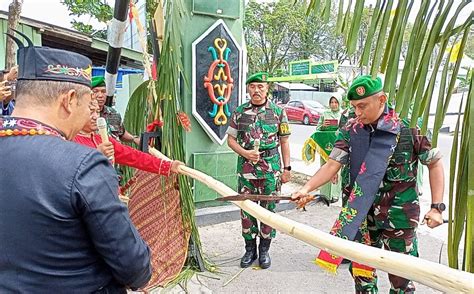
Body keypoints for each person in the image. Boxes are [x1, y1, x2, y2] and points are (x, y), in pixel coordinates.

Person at [0, 38, 152, 292]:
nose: (90, 113)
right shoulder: (82, 165)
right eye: (87, 104)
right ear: (69, 100)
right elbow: (134, 267)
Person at [292, 75, 445, 293]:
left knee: (402, 279)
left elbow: (435, 163)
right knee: (362, 278)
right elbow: (332, 164)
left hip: (399, 216)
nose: (357, 113)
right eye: (354, 107)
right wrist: (306, 189)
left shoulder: (407, 127)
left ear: (382, 99)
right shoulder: (351, 129)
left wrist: (436, 207)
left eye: (362, 106)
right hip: (360, 216)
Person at [226, 71, 291, 269]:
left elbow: (284, 141)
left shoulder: (278, 112)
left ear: (266, 89)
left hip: (271, 169)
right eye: (253, 87)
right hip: (246, 169)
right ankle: (249, 250)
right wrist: (245, 153)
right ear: (248, 89)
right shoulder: (239, 111)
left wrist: (287, 168)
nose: (256, 90)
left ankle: (264, 250)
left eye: (260, 86)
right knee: (247, 209)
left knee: (269, 209)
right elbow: (230, 140)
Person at [73, 99, 182, 178]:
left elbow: (133, 156)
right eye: (91, 112)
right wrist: (96, 155)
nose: (96, 117)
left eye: (97, 112)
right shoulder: (69, 141)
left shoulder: (103, 139)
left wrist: (168, 166)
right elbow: (69, 173)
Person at [91, 76, 140, 145]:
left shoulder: (113, 113)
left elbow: (121, 133)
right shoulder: (85, 114)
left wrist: (134, 139)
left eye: (103, 91)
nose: (100, 95)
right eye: (95, 91)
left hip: (116, 153)